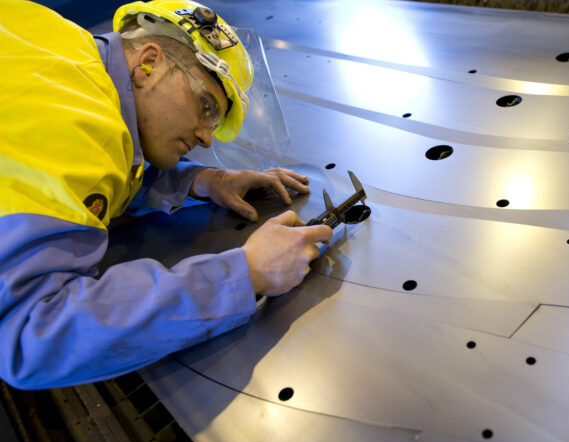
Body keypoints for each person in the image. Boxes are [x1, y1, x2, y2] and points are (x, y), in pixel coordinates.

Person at [0, 0, 333, 389]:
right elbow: (29, 334)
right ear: (148, 63)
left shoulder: (61, 51)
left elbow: (84, 168)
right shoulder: (78, 126)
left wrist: (198, 180)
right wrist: (247, 274)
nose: (206, 138)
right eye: (206, 106)